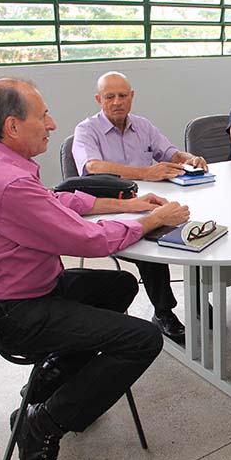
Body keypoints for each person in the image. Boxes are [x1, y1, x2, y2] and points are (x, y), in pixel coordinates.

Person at [0, 77, 190, 460]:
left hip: (12, 289)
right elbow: (86, 241)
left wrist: (127, 204)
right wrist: (150, 221)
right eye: (42, 115)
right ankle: (41, 426)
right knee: (142, 339)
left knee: (118, 288)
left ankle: (45, 385)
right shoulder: (7, 183)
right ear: (12, 126)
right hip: (15, 310)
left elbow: (54, 201)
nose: (50, 123)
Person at [73, 71, 205, 342]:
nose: (117, 101)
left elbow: (169, 153)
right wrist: (145, 173)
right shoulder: (86, 130)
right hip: (112, 207)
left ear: (132, 97)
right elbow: (93, 167)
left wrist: (191, 158)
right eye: (110, 97)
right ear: (99, 99)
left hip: (151, 200)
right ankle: (163, 311)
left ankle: (200, 299)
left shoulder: (143, 126)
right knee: (151, 236)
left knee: (197, 223)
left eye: (123, 95)